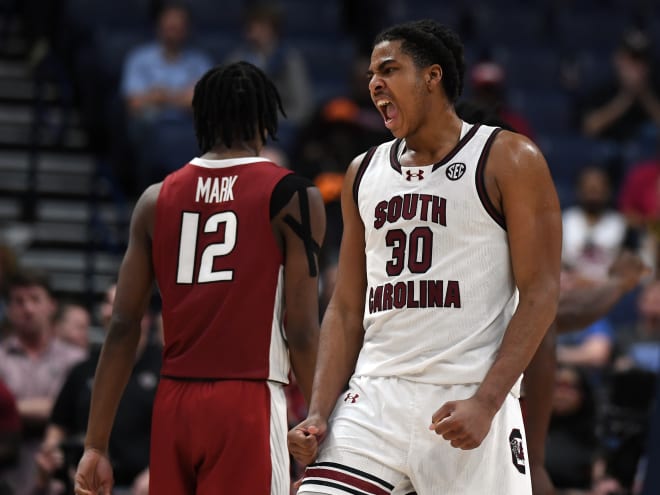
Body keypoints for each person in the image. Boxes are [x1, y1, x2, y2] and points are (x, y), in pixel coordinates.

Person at [288, 19, 562, 495]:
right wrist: (317, 409)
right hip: (375, 395)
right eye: (372, 74)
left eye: (389, 69)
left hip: (468, 397)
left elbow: (540, 293)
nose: (374, 83)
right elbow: (348, 307)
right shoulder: (363, 171)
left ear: (432, 77)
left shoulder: (508, 158)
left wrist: (488, 401)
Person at [73, 61, 326, 495]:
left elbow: (121, 327)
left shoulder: (155, 199)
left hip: (173, 405)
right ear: (265, 120)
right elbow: (301, 329)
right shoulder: (292, 196)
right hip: (245, 401)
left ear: (201, 118)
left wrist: (96, 445)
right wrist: (325, 420)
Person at [34, 283, 160, 495]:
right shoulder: (83, 369)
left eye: (118, 303)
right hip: (89, 485)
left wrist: (157, 471)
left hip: (144, 484)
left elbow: (184, 434)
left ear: (145, 315)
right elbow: (58, 426)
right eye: (106, 303)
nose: (110, 310)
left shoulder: (164, 366)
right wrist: (51, 452)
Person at [0, 269, 86, 495]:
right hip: (8, 478)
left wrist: (9, 409)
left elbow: (77, 412)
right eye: (19, 301)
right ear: (8, 310)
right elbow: (61, 410)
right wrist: (55, 410)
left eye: (35, 299)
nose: (27, 308)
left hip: (63, 480)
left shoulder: (75, 360)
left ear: (51, 306)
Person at [120, 0, 213, 192]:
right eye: (169, 26)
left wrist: (161, 97)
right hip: (151, 129)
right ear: (158, 27)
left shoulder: (200, 62)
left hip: (190, 128)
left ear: (186, 29)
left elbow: (204, 102)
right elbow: (134, 103)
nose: (173, 30)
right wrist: (182, 98)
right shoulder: (140, 59)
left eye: (178, 27)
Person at [578, 29, 660, 143]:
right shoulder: (602, 90)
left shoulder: (654, 90)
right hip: (607, 157)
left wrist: (644, 95)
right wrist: (626, 98)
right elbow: (589, 128)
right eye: (631, 59)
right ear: (618, 59)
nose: (636, 67)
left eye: (641, 61)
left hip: (648, 157)